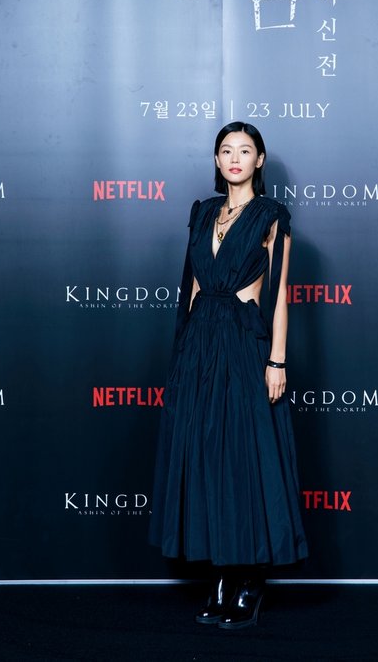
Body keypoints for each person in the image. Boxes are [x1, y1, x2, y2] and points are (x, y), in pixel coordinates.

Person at [149, 122, 308, 629]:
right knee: (205, 458)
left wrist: (277, 360)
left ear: (260, 160)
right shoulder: (201, 213)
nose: (234, 158)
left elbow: (279, 295)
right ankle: (219, 575)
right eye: (226, 150)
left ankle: (248, 580)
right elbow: (192, 288)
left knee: (243, 457)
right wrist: (182, 357)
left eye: (245, 150)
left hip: (244, 342)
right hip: (200, 343)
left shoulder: (271, 217)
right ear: (216, 161)